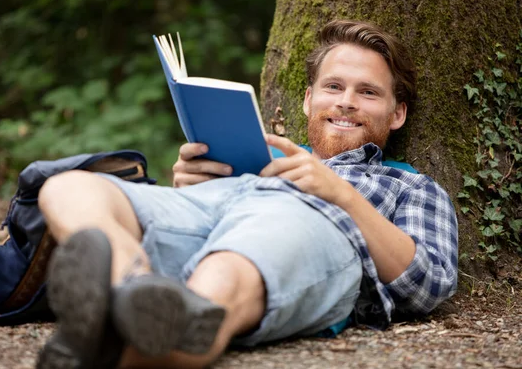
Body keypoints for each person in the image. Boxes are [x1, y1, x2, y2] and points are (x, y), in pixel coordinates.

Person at [35, 20, 458, 369]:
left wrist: (341, 196)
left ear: (396, 112)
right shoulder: (263, 152)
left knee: (230, 267)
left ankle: (132, 337)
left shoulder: (410, 185)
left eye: (367, 92)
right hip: (220, 202)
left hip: (312, 227)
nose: (346, 102)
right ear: (309, 100)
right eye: (334, 87)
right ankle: (130, 286)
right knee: (69, 186)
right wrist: (193, 181)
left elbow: (429, 285)